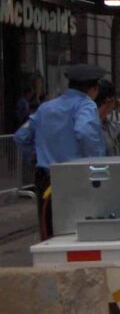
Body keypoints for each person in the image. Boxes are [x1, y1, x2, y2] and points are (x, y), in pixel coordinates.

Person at [14, 63, 107, 240]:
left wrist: (33, 156)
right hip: (76, 176)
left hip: (45, 177)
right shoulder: (86, 105)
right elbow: (85, 132)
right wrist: (95, 162)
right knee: (78, 232)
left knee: (49, 231)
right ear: (94, 89)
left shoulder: (45, 108)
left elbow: (21, 136)